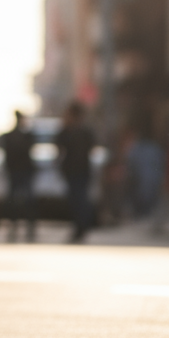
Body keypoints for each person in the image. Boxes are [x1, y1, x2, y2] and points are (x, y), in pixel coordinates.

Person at [57, 101, 96, 243]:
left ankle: (81, 228)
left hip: (80, 171)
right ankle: (80, 228)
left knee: (80, 200)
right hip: (74, 171)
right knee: (77, 200)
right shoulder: (68, 131)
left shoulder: (82, 131)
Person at [0, 111, 36, 242]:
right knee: (15, 200)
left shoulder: (25, 136)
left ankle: (27, 228)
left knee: (25, 199)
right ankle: (16, 227)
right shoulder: (13, 136)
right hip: (16, 172)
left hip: (22, 172)